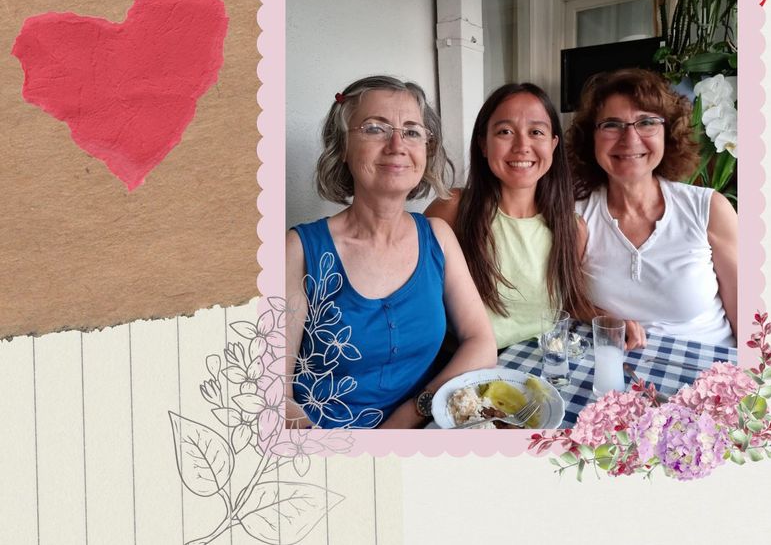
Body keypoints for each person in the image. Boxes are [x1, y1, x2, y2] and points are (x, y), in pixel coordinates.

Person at [285, 75, 497, 429]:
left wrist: (412, 412)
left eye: (412, 131)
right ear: (343, 146)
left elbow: (482, 342)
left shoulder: (438, 236)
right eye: (375, 128)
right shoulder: (299, 250)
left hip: (421, 430)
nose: (397, 144)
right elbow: (269, 391)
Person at [566, 68, 738, 347]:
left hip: (712, 370)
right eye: (611, 124)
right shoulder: (577, 217)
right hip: (621, 372)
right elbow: (566, 300)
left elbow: (750, 320)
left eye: (646, 122)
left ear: (667, 134)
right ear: (591, 139)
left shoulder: (708, 209)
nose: (630, 139)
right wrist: (601, 317)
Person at [425, 83, 592, 349]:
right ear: (483, 144)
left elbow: (568, 303)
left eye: (536, 132)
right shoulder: (453, 209)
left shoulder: (573, 227)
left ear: (553, 144)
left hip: (543, 361)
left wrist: (606, 317)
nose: (522, 146)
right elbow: (417, 303)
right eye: (505, 131)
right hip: (469, 368)